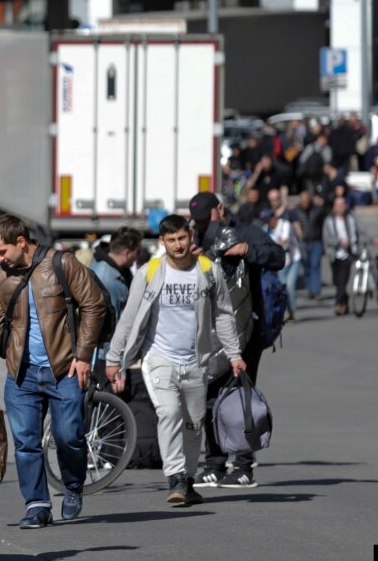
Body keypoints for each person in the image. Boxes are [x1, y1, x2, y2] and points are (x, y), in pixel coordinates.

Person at [106, 215, 246, 505]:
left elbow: (223, 314)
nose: (178, 245)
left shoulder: (208, 270)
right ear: (162, 242)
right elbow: (129, 318)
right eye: (171, 240)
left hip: (197, 360)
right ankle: (175, 477)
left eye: (182, 238)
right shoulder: (150, 272)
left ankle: (189, 478)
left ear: (190, 237)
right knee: (169, 412)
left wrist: (234, 354)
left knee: (194, 424)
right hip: (159, 357)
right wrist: (114, 358)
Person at [0, 215, 106, 529]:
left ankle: (73, 484)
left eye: (3, 251)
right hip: (21, 373)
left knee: (68, 437)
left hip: (64, 369)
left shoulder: (62, 264)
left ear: (21, 242)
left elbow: (94, 303)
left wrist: (84, 355)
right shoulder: (0, 276)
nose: (0, 259)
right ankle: (37, 505)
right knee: (25, 443)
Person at [187, 192, 284, 489]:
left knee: (240, 395)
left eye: (207, 218)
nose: (203, 224)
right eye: (199, 220)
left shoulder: (245, 232)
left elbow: (279, 257)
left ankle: (243, 466)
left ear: (220, 209)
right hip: (210, 332)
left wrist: (248, 250)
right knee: (209, 396)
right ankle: (214, 463)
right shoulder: (196, 238)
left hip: (247, 330)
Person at [89, 227, 143, 374]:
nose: (137, 257)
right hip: (104, 358)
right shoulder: (109, 280)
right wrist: (116, 365)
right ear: (127, 252)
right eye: (137, 252)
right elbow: (113, 325)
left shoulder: (105, 266)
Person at [324, 197, 378, 316]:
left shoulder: (351, 217)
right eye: (337, 205)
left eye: (342, 205)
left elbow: (363, 229)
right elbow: (327, 238)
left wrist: (374, 238)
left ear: (345, 206)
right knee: (337, 281)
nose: (339, 208)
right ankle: (344, 301)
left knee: (342, 280)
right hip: (334, 254)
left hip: (349, 253)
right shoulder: (329, 221)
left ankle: (339, 304)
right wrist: (339, 243)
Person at [265, 189, 301, 321]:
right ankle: (284, 311)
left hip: (294, 258)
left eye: (270, 220)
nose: (269, 222)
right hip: (280, 262)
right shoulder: (266, 229)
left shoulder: (285, 223)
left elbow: (284, 243)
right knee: (281, 286)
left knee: (289, 285)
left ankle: (291, 311)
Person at [292, 191, 327, 300]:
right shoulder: (296, 211)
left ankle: (316, 291)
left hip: (316, 241)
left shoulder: (317, 210)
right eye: (303, 201)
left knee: (315, 265)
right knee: (306, 267)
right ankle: (310, 290)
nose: (305, 203)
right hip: (302, 243)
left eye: (306, 201)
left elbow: (324, 223)